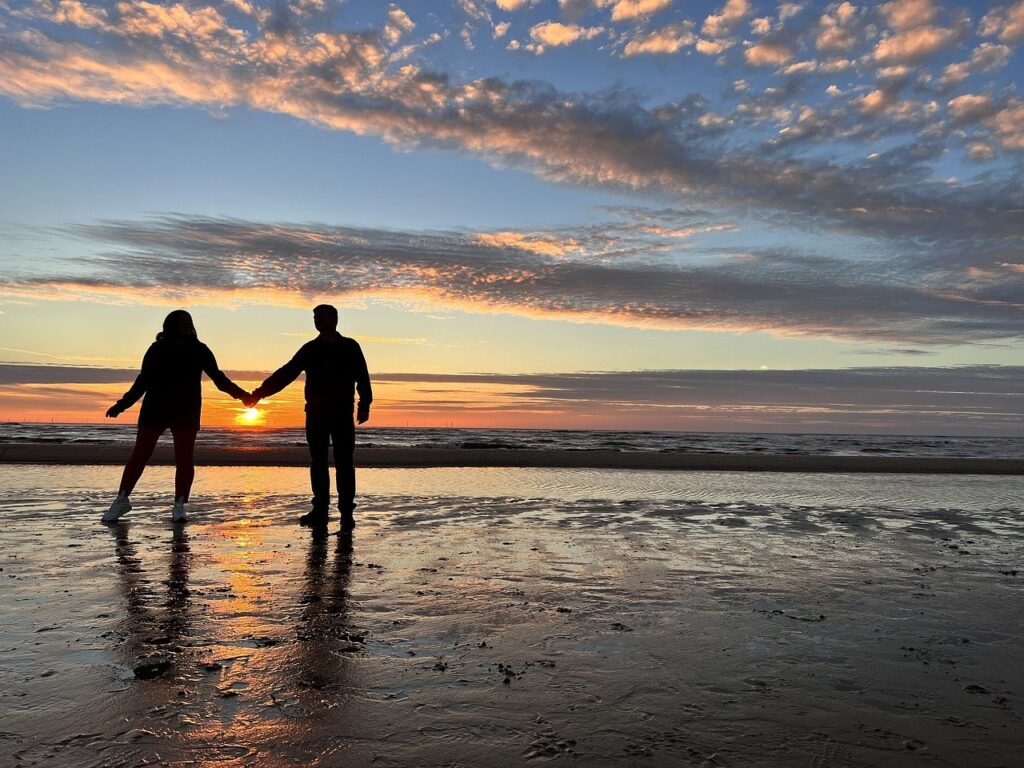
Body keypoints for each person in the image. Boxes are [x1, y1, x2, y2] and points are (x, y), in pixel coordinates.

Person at [102, 310, 249, 524]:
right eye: (183, 321)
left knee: (184, 459)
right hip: (155, 408)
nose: (188, 325)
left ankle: (179, 505)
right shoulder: (157, 349)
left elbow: (218, 378)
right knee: (140, 455)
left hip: (186, 410)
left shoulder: (200, 350)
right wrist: (122, 405)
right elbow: (143, 380)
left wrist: (243, 396)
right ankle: (122, 499)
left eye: (190, 321)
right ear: (172, 325)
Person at [245, 304, 371, 531]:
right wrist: (259, 394)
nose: (317, 320)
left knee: (345, 463)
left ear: (334, 319)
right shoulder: (310, 349)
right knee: (318, 462)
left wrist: (365, 404)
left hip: (342, 412)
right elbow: (286, 373)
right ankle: (320, 510)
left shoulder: (350, 347)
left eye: (321, 317)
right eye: (315, 317)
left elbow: (362, 375)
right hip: (316, 413)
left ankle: (346, 513)